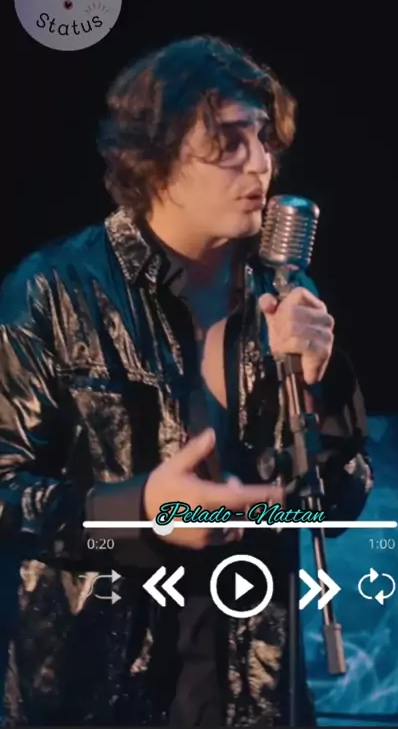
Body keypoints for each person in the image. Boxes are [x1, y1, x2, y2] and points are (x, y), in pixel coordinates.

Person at [0, 35, 373, 727]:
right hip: (99, 697)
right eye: (229, 142)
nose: (260, 163)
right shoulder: (52, 291)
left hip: (252, 695)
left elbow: (341, 506)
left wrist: (321, 386)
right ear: (156, 158)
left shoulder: (283, 296)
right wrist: (139, 511)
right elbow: (7, 498)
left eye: (263, 139)